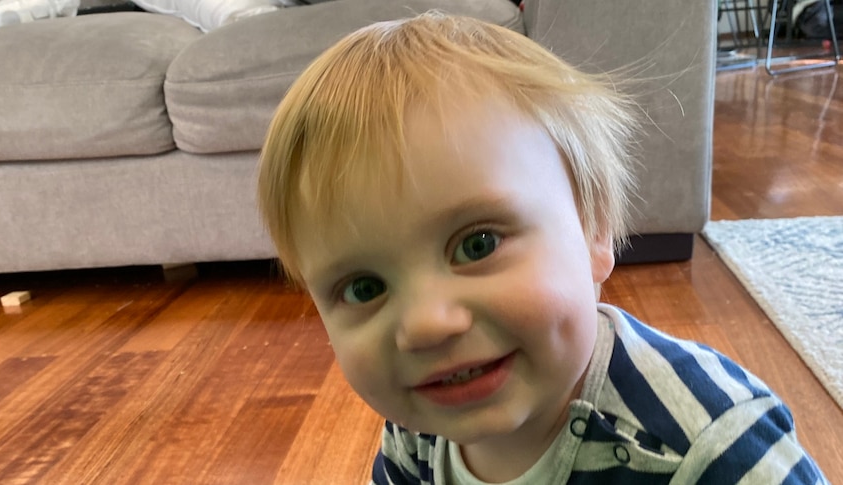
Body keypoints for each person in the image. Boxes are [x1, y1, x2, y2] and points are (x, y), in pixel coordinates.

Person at [256, 11, 829, 484]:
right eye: (365, 288)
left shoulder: (714, 448)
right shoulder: (417, 424)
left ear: (594, 234)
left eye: (477, 245)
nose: (426, 326)